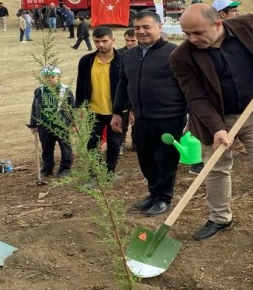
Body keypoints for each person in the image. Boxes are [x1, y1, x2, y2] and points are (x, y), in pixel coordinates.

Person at [169, 3, 253, 253]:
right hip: (216, 118)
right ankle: (220, 217)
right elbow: (196, 97)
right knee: (216, 169)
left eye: (198, 33)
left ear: (218, 24)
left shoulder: (248, 24)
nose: (192, 39)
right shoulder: (182, 57)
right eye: (187, 34)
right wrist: (217, 128)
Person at [110, 11, 187, 216]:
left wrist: (191, 116)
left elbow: (188, 86)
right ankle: (153, 192)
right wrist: (117, 111)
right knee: (146, 159)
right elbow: (123, 83)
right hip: (142, 117)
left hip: (169, 118)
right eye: (137, 28)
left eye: (146, 27)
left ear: (159, 27)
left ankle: (164, 197)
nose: (141, 32)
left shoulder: (175, 53)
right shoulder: (128, 55)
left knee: (166, 160)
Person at [75, 26, 123, 175]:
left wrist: (130, 109)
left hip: (116, 111)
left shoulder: (123, 60)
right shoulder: (86, 61)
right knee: (91, 143)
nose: (101, 44)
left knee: (114, 143)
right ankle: (94, 173)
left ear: (112, 40)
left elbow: (129, 86)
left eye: (104, 41)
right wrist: (79, 107)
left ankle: (110, 172)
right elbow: (80, 84)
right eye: (97, 41)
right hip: (93, 110)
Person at [28, 66, 74, 178]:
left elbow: (72, 108)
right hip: (45, 124)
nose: (49, 79)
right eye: (46, 77)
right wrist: (33, 124)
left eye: (52, 77)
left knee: (65, 146)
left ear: (58, 77)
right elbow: (35, 107)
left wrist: (73, 123)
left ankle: (65, 168)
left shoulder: (66, 90)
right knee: (46, 147)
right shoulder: (39, 91)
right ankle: (47, 168)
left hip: (62, 125)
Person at [116, 29, 138, 153]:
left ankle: (136, 142)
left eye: (133, 41)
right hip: (124, 93)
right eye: (127, 40)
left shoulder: (143, 54)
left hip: (137, 93)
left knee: (137, 121)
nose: (130, 43)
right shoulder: (119, 54)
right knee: (122, 120)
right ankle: (120, 142)